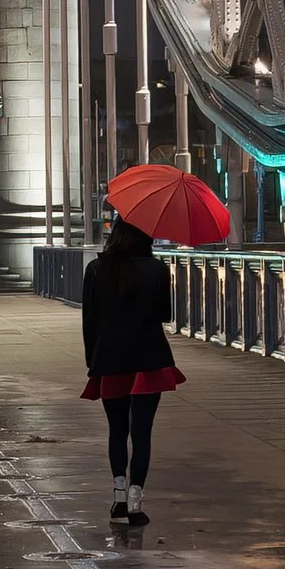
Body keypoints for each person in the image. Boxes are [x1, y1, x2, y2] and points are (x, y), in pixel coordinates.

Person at [81, 211, 184, 527]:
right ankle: (137, 502)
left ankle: (118, 497)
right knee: (142, 433)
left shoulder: (96, 270)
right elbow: (165, 315)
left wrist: (92, 361)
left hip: (110, 359)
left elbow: (90, 322)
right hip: (148, 360)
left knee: (116, 431)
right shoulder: (157, 269)